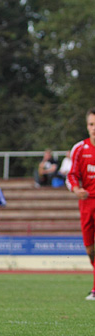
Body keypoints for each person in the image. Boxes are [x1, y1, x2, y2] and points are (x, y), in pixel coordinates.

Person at [66, 108, 95, 301]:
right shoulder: (79, 149)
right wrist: (76, 189)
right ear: (87, 126)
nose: (94, 128)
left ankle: (94, 289)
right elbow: (71, 175)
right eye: (92, 124)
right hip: (86, 204)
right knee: (90, 250)